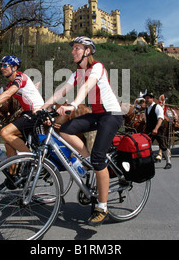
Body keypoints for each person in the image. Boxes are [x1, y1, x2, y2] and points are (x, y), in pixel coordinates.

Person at [39, 36, 123, 226]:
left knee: (99, 158)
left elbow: (87, 86)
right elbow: (63, 90)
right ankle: (86, 162)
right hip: (97, 114)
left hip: (111, 115)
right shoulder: (77, 72)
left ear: (87, 51)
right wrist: (43, 106)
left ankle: (102, 206)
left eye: (77, 48)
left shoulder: (97, 67)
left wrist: (74, 104)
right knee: (66, 129)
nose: (73, 51)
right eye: (73, 48)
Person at [0, 55, 44, 158]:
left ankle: (34, 160)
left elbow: (7, 95)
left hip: (36, 112)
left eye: (5, 65)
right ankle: (13, 173)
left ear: (14, 68)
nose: (2, 68)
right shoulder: (11, 84)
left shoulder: (21, 77)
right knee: (8, 141)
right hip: (27, 113)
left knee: (5, 133)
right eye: (1, 66)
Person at [144, 93, 171, 169]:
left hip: (158, 129)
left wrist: (156, 129)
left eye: (148, 98)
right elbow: (146, 121)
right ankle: (148, 161)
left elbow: (160, 119)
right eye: (146, 98)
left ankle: (168, 162)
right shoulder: (146, 109)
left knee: (163, 145)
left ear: (152, 99)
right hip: (150, 129)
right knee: (147, 145)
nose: (147, 100)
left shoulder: (157, 107)